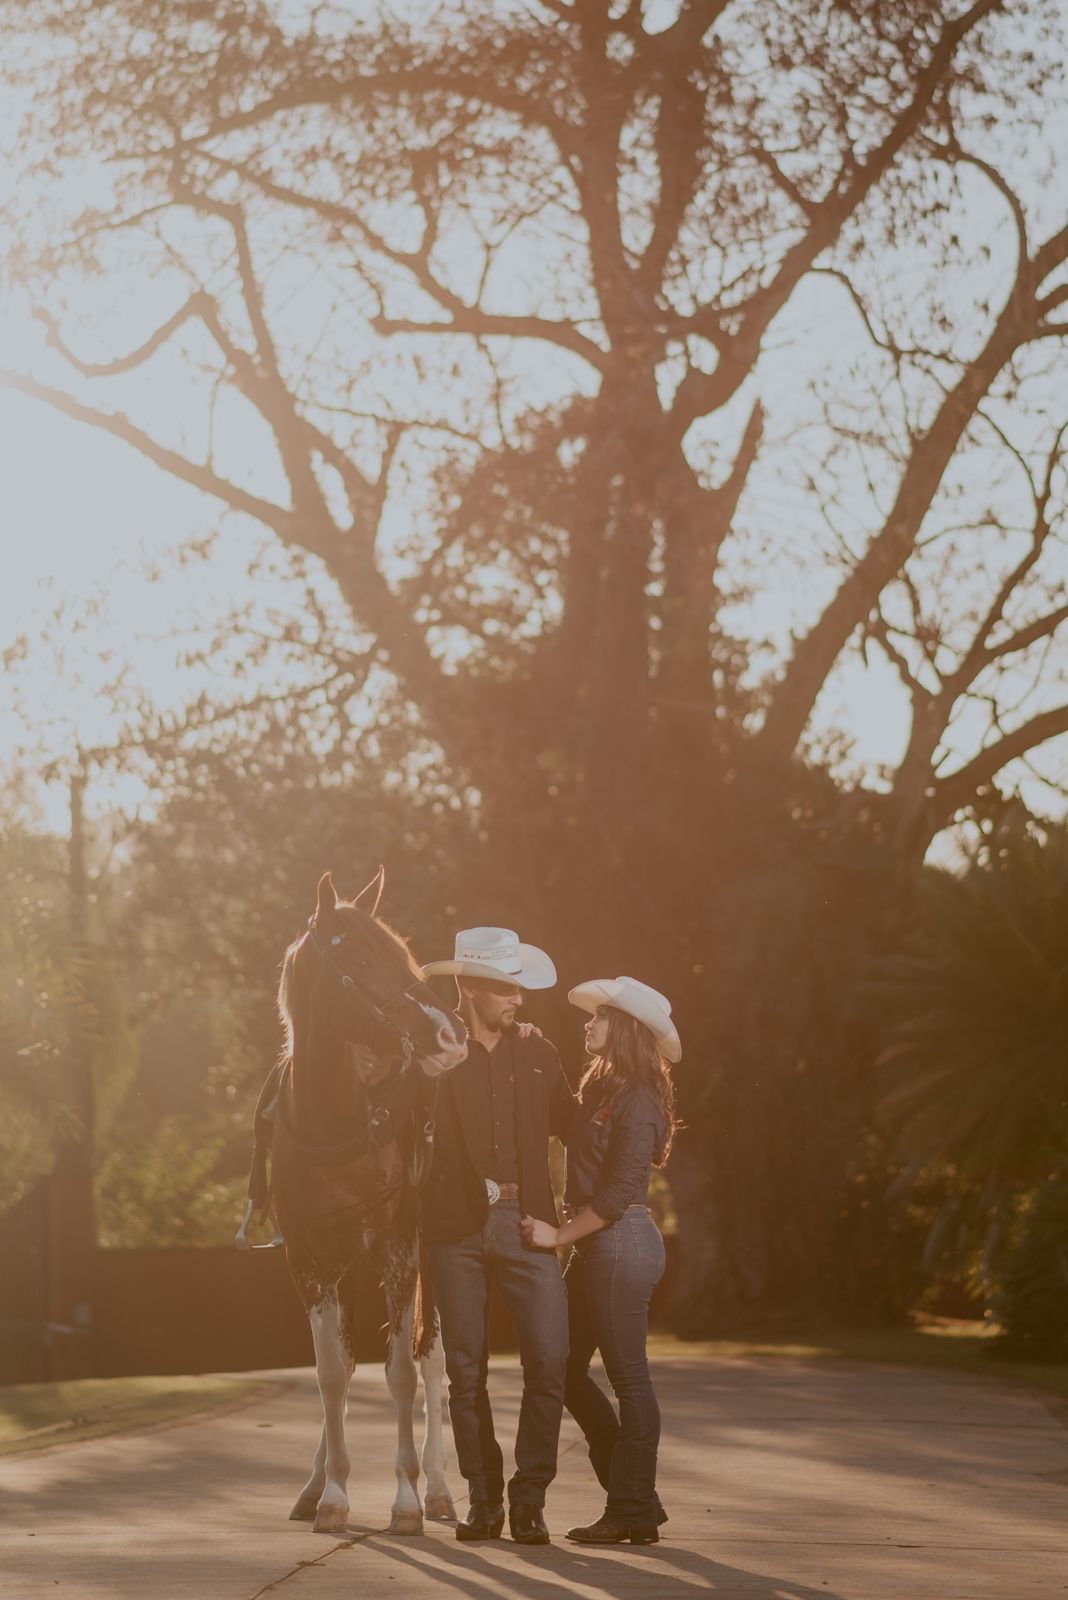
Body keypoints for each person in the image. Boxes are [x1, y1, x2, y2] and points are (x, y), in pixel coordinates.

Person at [420, 927, 575, 1545]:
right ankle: (483, 1499)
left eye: (518, 989)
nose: (517, 1001)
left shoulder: (539, 1053)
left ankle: (529, 1497)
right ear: (470, 989)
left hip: (528, 1222)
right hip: (452, 1229)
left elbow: (574, 1124)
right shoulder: (432, 1055)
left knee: (549, 1363)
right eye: (506, 990)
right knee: (466, 1372)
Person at [520, 975, 680, 1546]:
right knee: (561, 1368)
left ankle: (629, 1507)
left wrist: (556, 1235)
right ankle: (636, 1502)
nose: (588, 1023)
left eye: (600, 1016)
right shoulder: (603, 1090)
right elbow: (564, 1119)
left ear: (626, 1029)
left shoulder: (638, 1097)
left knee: (629, 1380)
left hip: (620, 1241)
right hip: (599, 1245)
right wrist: (534, 1050)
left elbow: (618, 1194)